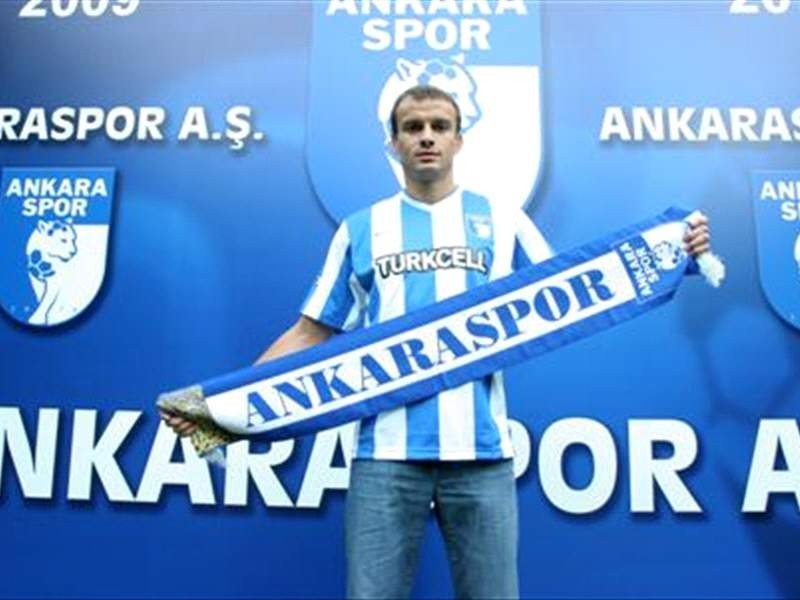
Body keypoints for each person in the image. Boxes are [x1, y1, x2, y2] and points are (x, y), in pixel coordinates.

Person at [162, 85, 712, 599]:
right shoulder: (360, 229)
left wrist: (673, 250)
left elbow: (577, 290)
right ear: (393, 143)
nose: (426, 137)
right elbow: (310, 331)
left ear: (458, 139)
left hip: (482, 455)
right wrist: (220, 406)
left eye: (439, 126)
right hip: (385, 456)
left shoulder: (503, 220)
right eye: (413, 127)